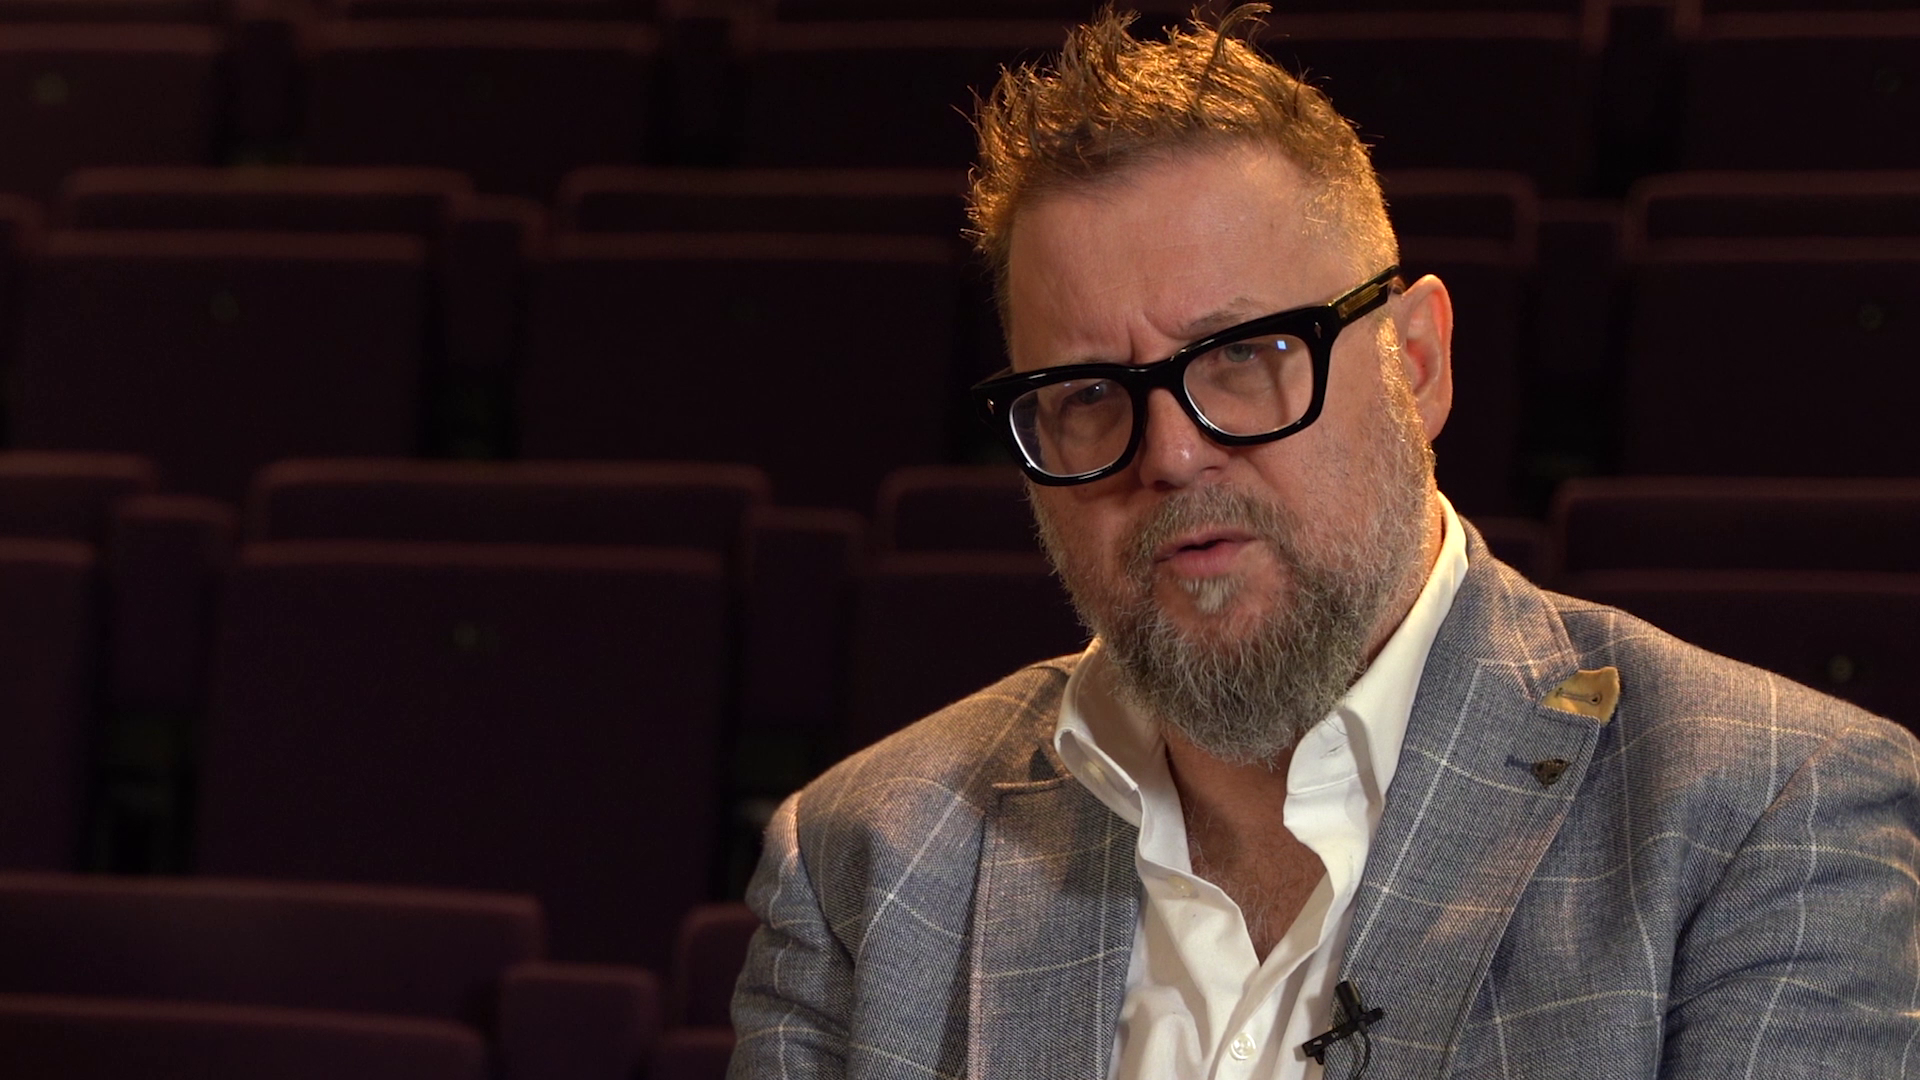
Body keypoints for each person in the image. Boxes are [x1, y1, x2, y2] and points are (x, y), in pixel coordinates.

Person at [727, 6, 1920, 1078]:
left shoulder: (1769, 815)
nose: (1170, 454)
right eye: (1088, 393)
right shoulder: (861, 860)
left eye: (1246, 356)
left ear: (1419, 365)